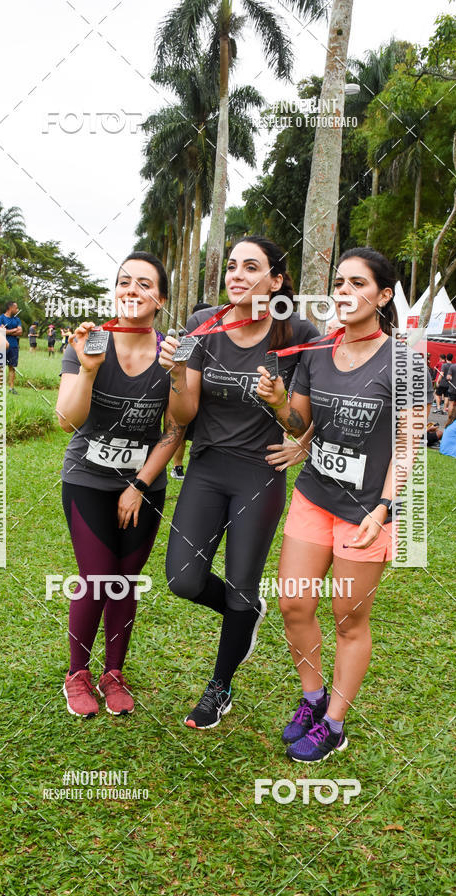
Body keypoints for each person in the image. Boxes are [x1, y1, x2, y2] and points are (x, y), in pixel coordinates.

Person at [257, 247, 413, 763]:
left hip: (367, 510)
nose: (343, 292)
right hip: (313, 496)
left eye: (357, 283)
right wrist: (280, 402)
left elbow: (409, 446)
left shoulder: (404, 359)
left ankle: (335, 724)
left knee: (349, 620)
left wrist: (385, 507)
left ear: (383, 295)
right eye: (338, 283)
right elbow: (300, 427)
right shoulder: (319, 351)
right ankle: (312, 697)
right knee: (293, 603)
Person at [159, 235, 319, 729]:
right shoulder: (201, 324)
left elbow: (298, 422)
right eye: (232, 266)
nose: (237, 275)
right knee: (182, 578)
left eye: (252, 267)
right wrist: (177, 372)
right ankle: (245, 613)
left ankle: (219, 687)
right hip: (207, 466)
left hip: (259, 471)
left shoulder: (296, 331)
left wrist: (291, 424)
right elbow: (183, 413)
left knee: (241, 580)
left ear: (275, 280)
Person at [57, 251, 184, 719]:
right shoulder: (89, 343)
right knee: (96, 579)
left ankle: (114, 673)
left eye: (144, 284)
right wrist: (88, 370)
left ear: (161, 299)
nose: (132, 289)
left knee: (125, 582)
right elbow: (67, 419)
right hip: (87, 477)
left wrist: (139, 483)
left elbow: (176, 429)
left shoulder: (173, 351)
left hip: (143, 484)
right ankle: (77, 674)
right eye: (124, 281)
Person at [169, 301, 213, 480]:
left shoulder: (217, 338)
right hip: (186, 393)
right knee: (181, 431)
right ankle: (177, 466)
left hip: (207, 397)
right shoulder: (185, 340)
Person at [0, 301, 22, 394]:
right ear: (11, 308)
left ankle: (11, 388)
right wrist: (15, 330)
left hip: (14, 346)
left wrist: (7, 331)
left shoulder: (17, 319)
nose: (17, 310)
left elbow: (20, 332)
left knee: (12, 367)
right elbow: (2, 331)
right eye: (16, 308)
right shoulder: (0, 318)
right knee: (0, 367)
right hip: (2, 345)